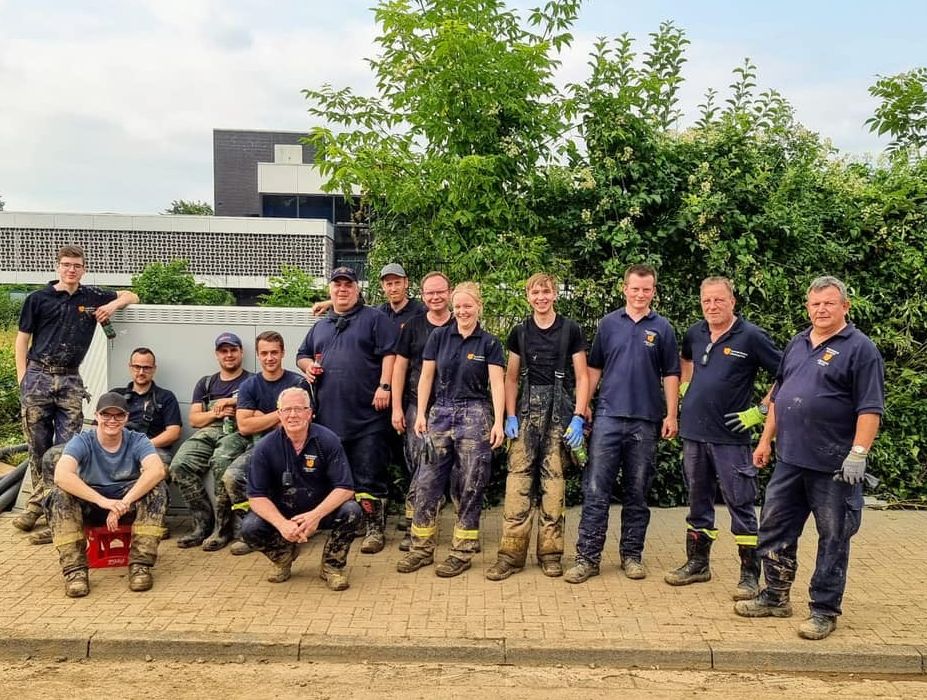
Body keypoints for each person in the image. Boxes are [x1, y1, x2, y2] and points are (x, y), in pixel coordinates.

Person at [734, 276, 884, 640]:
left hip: (834, 467)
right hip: (790, 459)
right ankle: (774, 596)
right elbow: (780, 394)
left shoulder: (861, 349)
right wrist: (765, 440)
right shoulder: (798, 343)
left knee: (833, 537)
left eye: (829, 303)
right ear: (808, 307)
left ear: (845, 306)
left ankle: (823, 610)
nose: (821, 310)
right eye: (815, 304)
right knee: (774, 528)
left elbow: (870, 409)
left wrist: (858, 454)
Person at [664, 277, 781, 600]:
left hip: (732, 436)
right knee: (697, 501)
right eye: (706, 301)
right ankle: (697, 564)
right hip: (694, 433)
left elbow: (788, 372)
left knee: (740, 503)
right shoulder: (695, 333)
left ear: (733, 301)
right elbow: (685, 360)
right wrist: (687, 388)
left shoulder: (752, 337)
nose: (712, 307)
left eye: (719, 300)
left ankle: (749, 575)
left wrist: (760, 409)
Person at [13, 244, 138, 544]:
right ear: (58, 266)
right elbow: (22, 340)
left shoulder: (91, 296)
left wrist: (114, 306)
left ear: (84, 269)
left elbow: (132, 294)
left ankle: (59, 511)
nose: (71, 269)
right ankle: (36, 506)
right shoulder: (38, 299)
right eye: (66, 264)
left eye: (77, 265)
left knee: (68, 450)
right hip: (39, 375)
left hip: (71, 377)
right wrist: (23, 381)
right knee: (37, 445)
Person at [565, 264, 680, 584]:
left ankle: (632, 556)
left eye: (646, 289)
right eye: (635, 288)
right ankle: (587, 558)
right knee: (595, 490)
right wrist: (583, 405)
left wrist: (671, 414)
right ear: (624, 289)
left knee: (637, 493)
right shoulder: (608, 324)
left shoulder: (664, 329)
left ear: (653, 291)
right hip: (608, 419)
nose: (640, 294)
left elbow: (671, 374)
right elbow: (593, 369)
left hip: (645, 422)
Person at [397, 282, 505, 578]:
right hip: (440, 413)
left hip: (475, 414)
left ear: (478, 307)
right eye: (458, 307)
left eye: (467, 306)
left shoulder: (490, 343)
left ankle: (461, 551)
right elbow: (426, 377)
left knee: (470, 485)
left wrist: (498, 421)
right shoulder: (439, 337)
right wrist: (420, 413)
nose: (462, 311)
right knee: (427, 481)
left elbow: (497, 384)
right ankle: (421, 548)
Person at [485, 273, 589, 580]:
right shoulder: (520, 332)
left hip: (559, 416)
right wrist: (509, 415)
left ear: (554, 294)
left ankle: (551, 554)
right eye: (535, 292)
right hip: (526, 416)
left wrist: (580, 417)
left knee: (553, 486)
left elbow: (582, 377)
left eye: (546, 292)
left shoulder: (570, 330)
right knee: (517, 485)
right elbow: (512, 378)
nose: (541, 297)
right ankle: (511, 555)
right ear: (528, 296)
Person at [297, 266, 398, 555]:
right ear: (330, 289)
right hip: (330, 418)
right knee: (338, 477)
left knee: (369, 476)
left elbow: (390, 353)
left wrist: (385, 386)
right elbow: (301, 355)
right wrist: (308, 367)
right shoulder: (321, 325)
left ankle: (375, 529)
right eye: (337, 285)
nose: (342, 290)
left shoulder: (374, 319)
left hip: (368, 417)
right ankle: (346, 524)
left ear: (357, 289)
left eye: (348, 285)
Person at [47, 392, 168, 598]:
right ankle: (74, 571)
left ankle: (140, 565)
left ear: (126, 418)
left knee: (157, 489)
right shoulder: (82, 441)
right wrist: (104, 502)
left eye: (118, 416)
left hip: (126, 505)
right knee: (59, 495)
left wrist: (123, 503)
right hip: (92, 506)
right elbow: (61, 475)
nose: (112, 420)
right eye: (106, 415)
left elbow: (156, 470)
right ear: (97, 416)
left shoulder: (138, 440)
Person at [240, 387, 362, 590]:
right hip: (283, 511)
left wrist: (315, 516)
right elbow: (256, 496)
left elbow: (345, 488)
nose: (293, 415)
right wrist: (282, 525)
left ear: (310, 412)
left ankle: (332, 567)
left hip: (320, 509)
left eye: (299, 409)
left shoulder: (328, 440)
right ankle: (283, 557)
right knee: (249, 527)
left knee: (352, 511)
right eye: (287, 410)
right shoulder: (265, 447)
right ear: (279, 414)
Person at [206, 331, 308, 553]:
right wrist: (281, 414)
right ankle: (249, 529)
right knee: (232, 476)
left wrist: (261, 416)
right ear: (258, 356)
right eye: (264, 353)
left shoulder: (297, 383)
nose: (269, 358)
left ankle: (282, 529)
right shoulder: (249, 386)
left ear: (283, 353)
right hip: (258, 446)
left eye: (274, 352)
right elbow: (244, 426)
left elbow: (299, 423)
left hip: (291, 448)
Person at [170, 332, 252, 549]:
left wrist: (232, 403)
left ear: (241, 352)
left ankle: (222, 528)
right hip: (209, 430)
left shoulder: (252, 381)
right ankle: (202, 523)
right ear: (217, 354)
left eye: (233, 350)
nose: (229, 355)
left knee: (220, 462)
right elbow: (195, 419)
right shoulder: (206, 383)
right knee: (179, 465)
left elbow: (254, 411)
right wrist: (216, 413)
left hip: (237, 432)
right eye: (224, 351)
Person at [390, 272, 454, 551]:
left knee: (448, 469)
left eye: (440, 292)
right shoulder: (413, 326)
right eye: (429, 293)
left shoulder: (461, 321)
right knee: (420, 464)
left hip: (454, 407)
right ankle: (416, 521)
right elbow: (399, 368)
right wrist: (396, 407)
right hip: (418, 406)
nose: (435, 297)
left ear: (449, 292)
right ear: (423, 295)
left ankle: (423, 518)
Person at [111, 347, 182, 464]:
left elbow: (174, 432)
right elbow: (98, 426)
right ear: (130, 367)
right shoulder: (115, 395)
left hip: (153, 449)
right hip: (116, 448)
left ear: (154, 369)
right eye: (137, 367)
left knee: (153, 472)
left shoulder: (166, 397)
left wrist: (143, 446)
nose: (141, 372)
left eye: (146, 368)